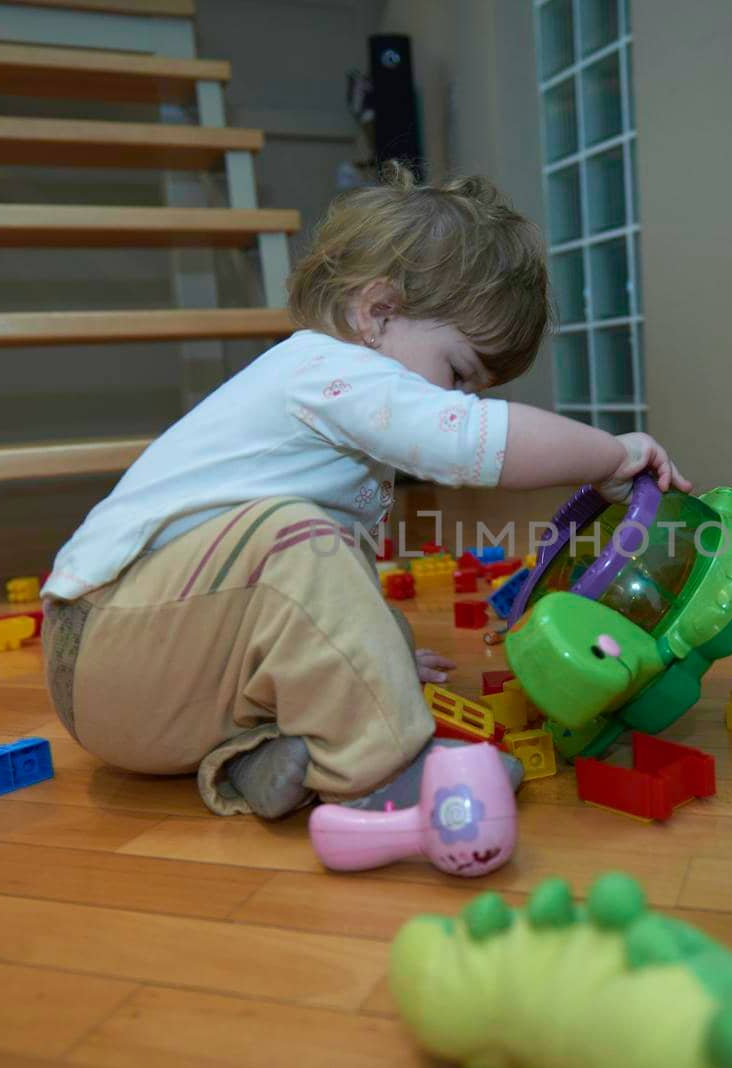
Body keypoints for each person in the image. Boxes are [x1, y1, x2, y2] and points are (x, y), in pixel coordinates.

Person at [40, 166, 689, 821]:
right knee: (297, 539)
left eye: (473, 391)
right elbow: (468, 441)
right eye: (458, 372)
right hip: (110, 645)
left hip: (159, 693)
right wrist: (613, 453)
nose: (456, 401)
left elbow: (299, 599)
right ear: (377, 313)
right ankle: (384, 770)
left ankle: (266, 759)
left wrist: (381, 652)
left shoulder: (336, 393)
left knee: (335, 577)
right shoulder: (332, 370)